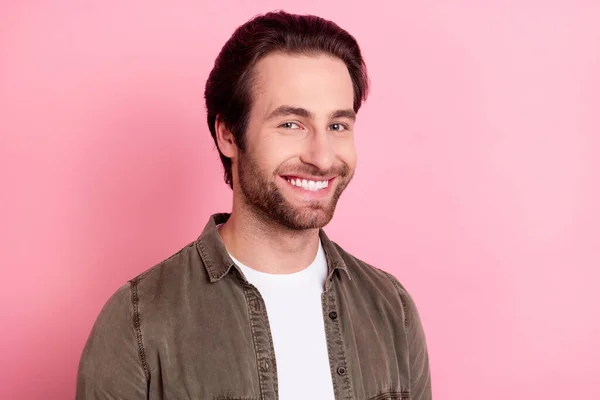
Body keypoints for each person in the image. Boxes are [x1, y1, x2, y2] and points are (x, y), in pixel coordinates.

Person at [76, 10, 431, 400]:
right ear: (228, 134)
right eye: (291, 124)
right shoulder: (137, 322)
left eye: (337, 125)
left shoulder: (391, 309)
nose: (323, 157)